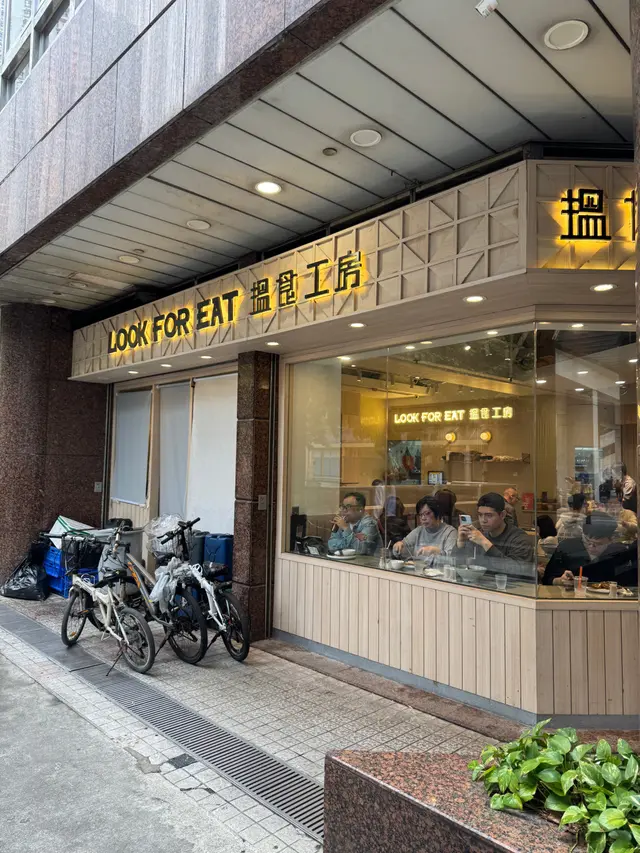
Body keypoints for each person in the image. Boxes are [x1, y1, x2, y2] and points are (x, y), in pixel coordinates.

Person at [542, 511, 635, 587]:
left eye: (597, 544)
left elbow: (631, 585)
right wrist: (559, 581)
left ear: (611, 539)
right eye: (586, 541)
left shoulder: (619, 553)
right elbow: (547, 579)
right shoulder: (566, 548)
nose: (591, 547)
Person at [453, 492, 534, 578]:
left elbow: (517, 572)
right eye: (480, 515)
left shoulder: (520, 538)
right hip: (481, 583)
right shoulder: (478, 534)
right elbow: (456, 567)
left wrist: (485, 543)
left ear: (502, 515)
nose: (483, 520)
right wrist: (460, 544)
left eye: (489, 515)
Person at [392, 496, 456, 563]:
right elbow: (404, 547)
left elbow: (454, 560)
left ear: (437, 513)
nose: (423, 518)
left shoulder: (450, 532)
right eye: (421, 515)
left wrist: (437, 552)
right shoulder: (419, 531)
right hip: (417, 569)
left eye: (427, 513)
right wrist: (398, 546)